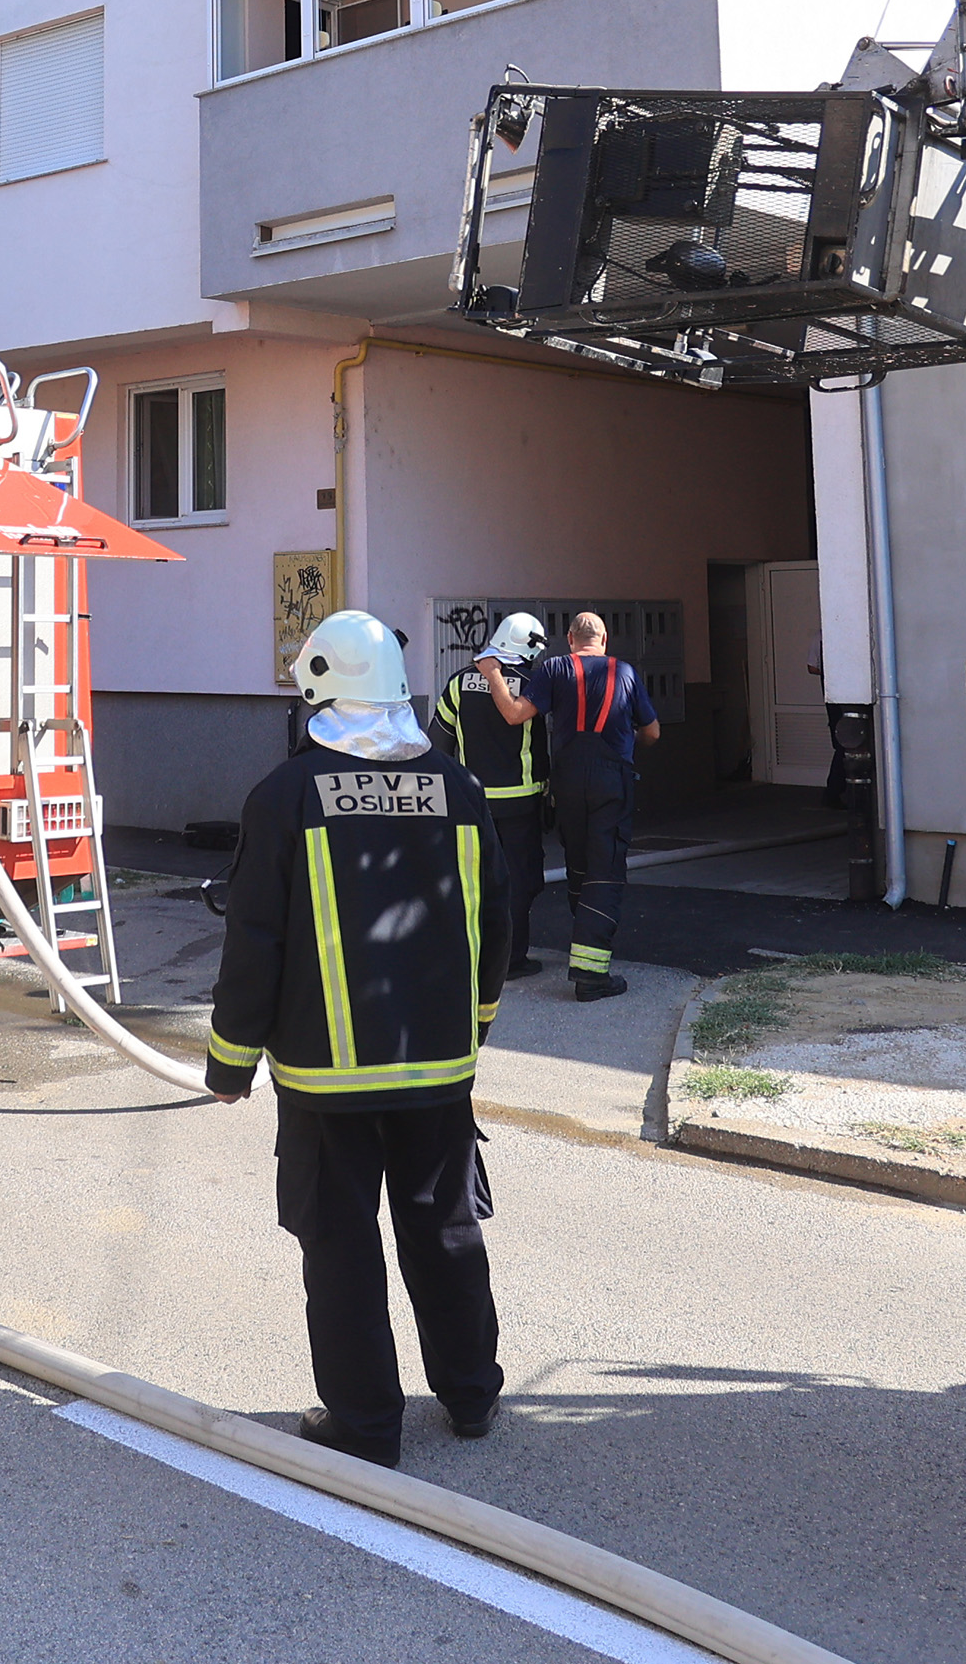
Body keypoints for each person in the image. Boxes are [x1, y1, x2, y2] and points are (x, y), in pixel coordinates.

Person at [205, 608, 510, 1472]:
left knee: (339, 1242)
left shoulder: (286, 795)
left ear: (316, 692)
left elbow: (254, 942)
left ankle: (367, 1425)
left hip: (325, 1078)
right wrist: (473, 1031)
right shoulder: (458, 788)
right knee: (445, 1227)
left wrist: (230, 1063)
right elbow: (497, 925)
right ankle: (472, 1394)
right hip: (440, 1070)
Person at [482, 610, 660, 1001]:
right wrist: (631, 749)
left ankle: (585, 948)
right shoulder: (625, 673)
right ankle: (591, 975)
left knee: (579, 864)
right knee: (605, 869)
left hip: (567, 780)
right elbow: (652, 731)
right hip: (611, 778)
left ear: (569, 638)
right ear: (605, 639)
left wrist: (492, 670)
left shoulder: (552, 669)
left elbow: (514, 714)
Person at [437, 613, 550, 981]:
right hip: (521, 801)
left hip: (474, 802)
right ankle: (512, 959)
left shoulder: (457, 682)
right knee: (520, 880)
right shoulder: (533, 682)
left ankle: (475, 954)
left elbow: (438, 744)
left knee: (477, 880)